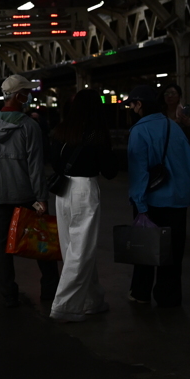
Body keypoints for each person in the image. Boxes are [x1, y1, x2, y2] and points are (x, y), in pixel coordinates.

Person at [0, 75, 59, 307]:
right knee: (42, 244)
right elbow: (35, 166)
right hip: (28, 197)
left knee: (2, 249)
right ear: (18, 96)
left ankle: (8, 295)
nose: (29, 96)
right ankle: (49, 291)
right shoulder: (29, 126)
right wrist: (41, 198)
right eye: (26, 92)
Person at [47, 90, 118, 322]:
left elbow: (54, 162)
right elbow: (109, 171)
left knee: (71, 247)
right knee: (81, 250)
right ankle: (64, 306)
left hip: (63, 190)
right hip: (85, 189)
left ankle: (91, 300)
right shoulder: (97, 133)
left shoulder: (61, 130)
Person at [126, 84, 190, 307]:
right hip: (177, 201)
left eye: (132, 105)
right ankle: (169, 297)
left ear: (139, 104)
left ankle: (141, 293)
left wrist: (139, 204)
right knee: (173, 252)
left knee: (145, 249)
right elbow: (189, 162)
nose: (132, 109)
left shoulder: (139, 130)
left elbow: (138, 171)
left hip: (151, 201)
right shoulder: (173, 127)